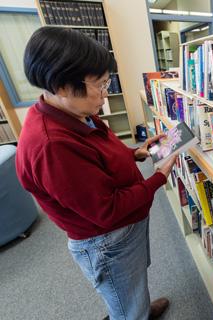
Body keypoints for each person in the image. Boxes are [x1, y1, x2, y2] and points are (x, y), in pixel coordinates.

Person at [16, 26, 176, 320]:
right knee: (125, 298)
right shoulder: (52, 146)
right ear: (63, 86)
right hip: (107, 240)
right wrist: (159, 177)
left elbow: (97, 159)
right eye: (100, 85)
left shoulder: (74, 112)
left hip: (121, 232)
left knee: (131, 286)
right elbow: (108, 210)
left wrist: (135, 153)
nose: (106, 93)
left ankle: (136, 307)